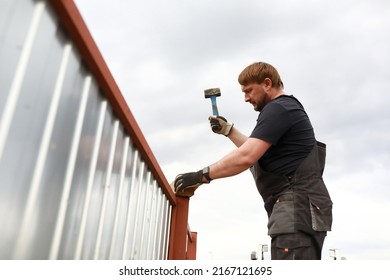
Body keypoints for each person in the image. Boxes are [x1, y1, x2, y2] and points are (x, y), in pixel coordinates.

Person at [174, 62, 332, 260]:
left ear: (267, 83)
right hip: (299, 211)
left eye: (249, 91)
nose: (246, 98)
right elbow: (256, 152)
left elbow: (246, 156)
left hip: (295, 210)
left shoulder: (279, 109)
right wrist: (228, 131)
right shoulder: (286, 109)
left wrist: (201, 175)